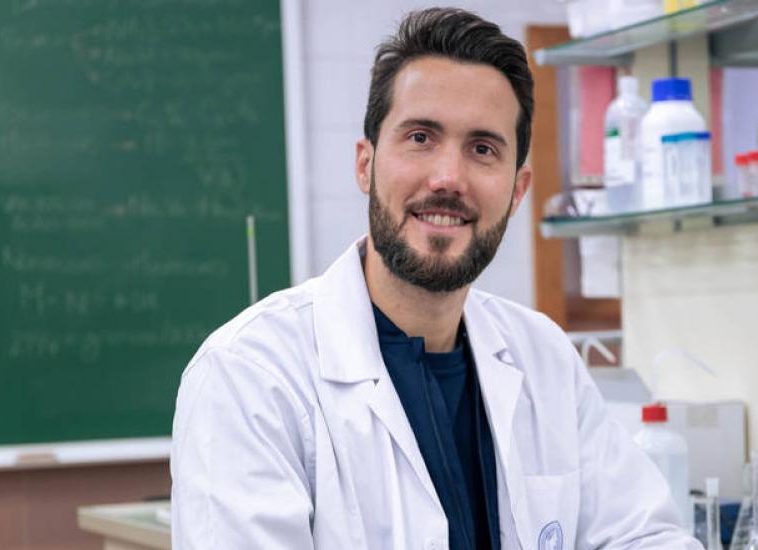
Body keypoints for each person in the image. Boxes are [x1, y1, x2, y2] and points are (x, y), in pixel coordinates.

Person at [170, 7, 701, 549]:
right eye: (421, 137)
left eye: (482, 149)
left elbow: (645, 535)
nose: (448, 178)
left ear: (517, 191)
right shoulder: (250, 375)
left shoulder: (544, 357)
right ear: (365, 164)